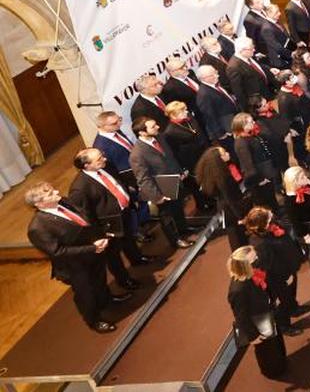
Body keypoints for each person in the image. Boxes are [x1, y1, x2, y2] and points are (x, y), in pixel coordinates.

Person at [25, 182, 127, 332]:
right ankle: (94, 320)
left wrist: (98, 239)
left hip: (93, 254)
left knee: (100, 280)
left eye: (53, 189)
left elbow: (84, 223)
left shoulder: (64, 202)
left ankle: (106, 301)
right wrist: (92, 248)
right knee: (86, 294)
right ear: (40, 203)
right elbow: (58, 252)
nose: (57, 191)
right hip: (74, 266)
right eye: (50, 193)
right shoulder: (38, 228)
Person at [68, 148, 147, 290]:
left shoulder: (107, 166)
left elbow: (118, 183)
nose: (104, 159)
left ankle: (137, 259)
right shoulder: (79, 188)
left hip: (124, 212)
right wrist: (99, 234)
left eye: (102, 156)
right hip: (108, 227)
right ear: (87, 165)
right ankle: (124, 280)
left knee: (129, 239)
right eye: (99, 159)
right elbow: (86, 215)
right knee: (113, 256)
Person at [129, 116, 195, 249]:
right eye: (153, 126)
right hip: (160, 189)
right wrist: (157, 197)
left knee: (178, 209)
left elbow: (170, 157)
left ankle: (184, 229)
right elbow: (143, 179)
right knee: (167, 216)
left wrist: (180, 171)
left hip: (174, 182)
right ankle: (175, 239)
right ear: (142, 132)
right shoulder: (137, 154)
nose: (158, 127)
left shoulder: (159, 138)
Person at [244, 206, 307, 336]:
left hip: (289, 268)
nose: (271, 213)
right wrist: (286, 276)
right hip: (280, 277)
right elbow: (272, 266)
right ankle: (284, 325)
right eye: (268, 215)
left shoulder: (272, 227)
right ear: (263, 225)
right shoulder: (261, 243)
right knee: (285, 300)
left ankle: (294, 308)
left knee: (291, 294)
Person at [226, 245, 288, 378]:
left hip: (267, 315)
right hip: (258, 324)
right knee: (267, 351)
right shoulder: (238, 290)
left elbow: (264, 290)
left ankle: (281, 363)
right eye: (254, 259)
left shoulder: (253, 274)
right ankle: (272, 371)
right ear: (244, 265)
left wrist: (272, 299)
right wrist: (252, 336)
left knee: (276, 343)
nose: (258, 259)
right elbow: (241, 316)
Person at [195, 144, 251, 250]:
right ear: (218, 160)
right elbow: (230, 199)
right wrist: (241, 216)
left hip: (229, 208)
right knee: (238, 239)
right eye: (224, 153)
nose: (227, 154)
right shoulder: (222, 178)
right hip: (232, 210)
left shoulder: (220, 172)